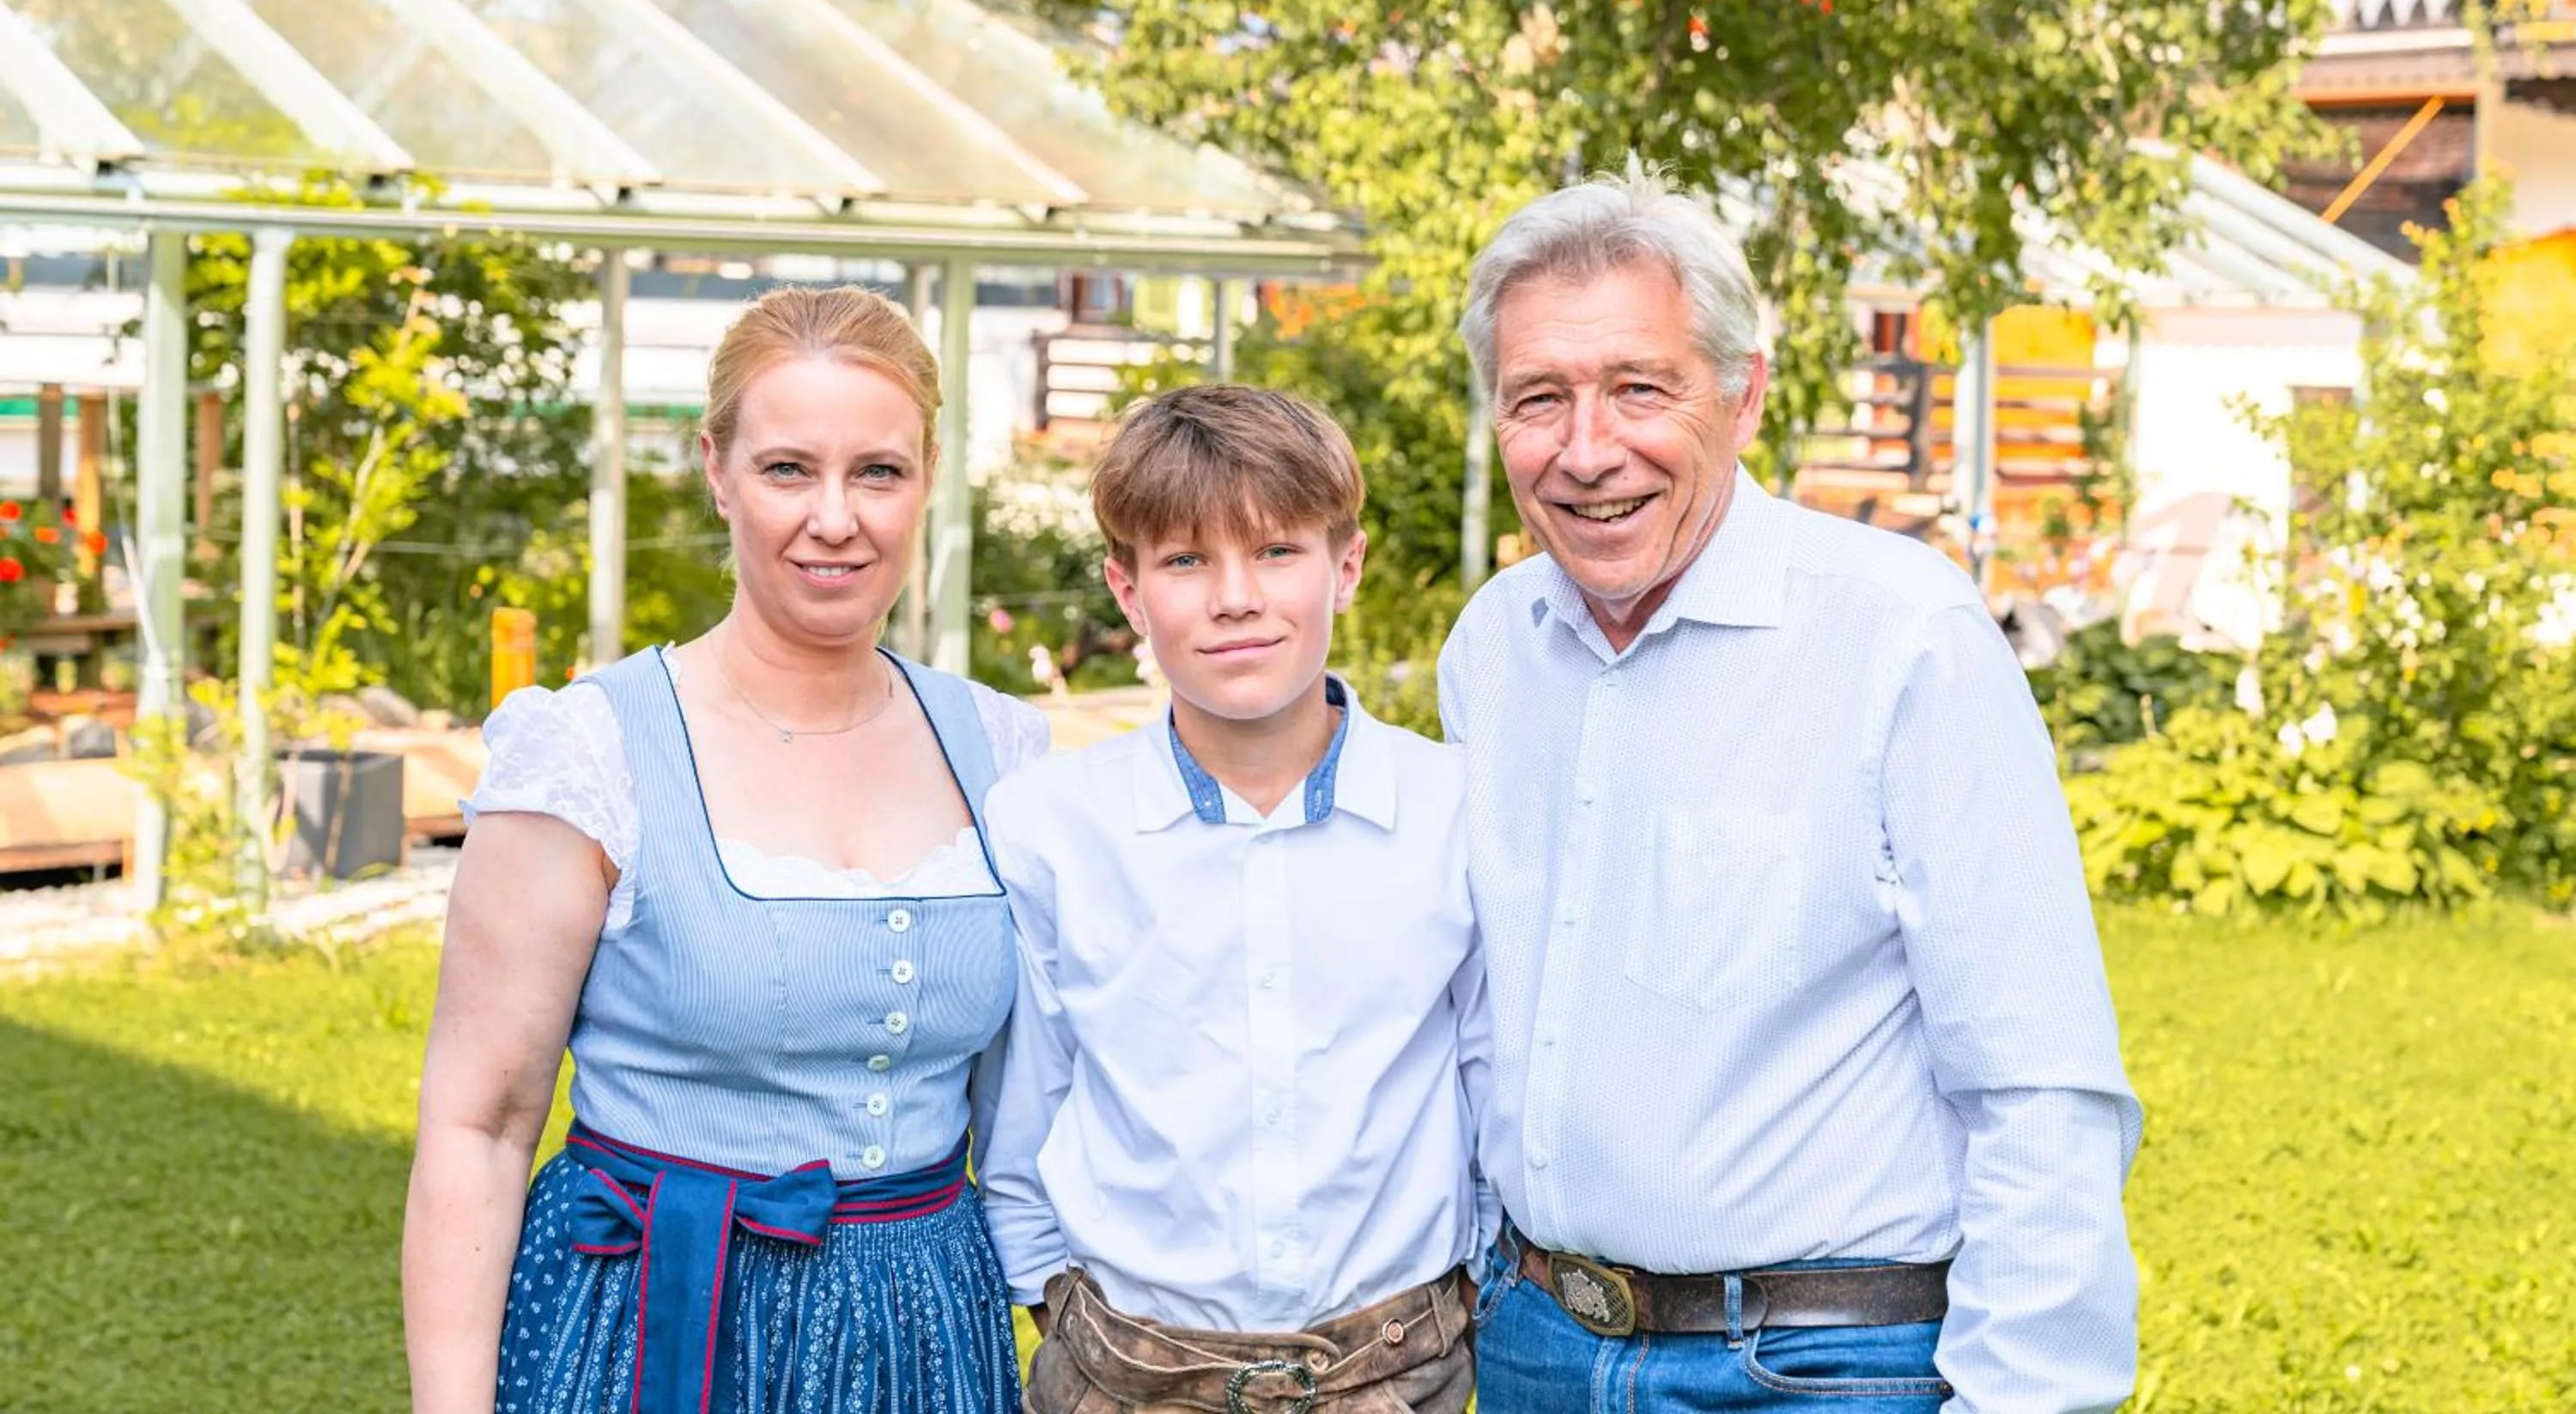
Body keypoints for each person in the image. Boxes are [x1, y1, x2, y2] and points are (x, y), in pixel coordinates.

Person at [1438, 168, 2142, 1413]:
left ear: (1743, 392)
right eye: (1538, 399)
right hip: (1534, 1341)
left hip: (1814, 1369)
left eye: (1639, 389)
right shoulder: (1492, 648)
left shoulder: (1901, 638)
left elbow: (2040, 1080)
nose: (1588, 451)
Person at [403, 285, 1047, 1414]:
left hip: (931, 1332)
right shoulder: (591, 752)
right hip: (653, 1320)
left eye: (878, 473)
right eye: (788, 468)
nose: (835, 518)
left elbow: (1031, 1108)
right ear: (716, 469)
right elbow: (482, 1124)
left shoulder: (1001, 746)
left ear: (928, 478)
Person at [980, 385, 1493, 1414]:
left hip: (1397, 1366)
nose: (1235, 597)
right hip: (1124, 1370)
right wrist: (1051, 1296)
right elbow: (1022, 1105)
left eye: (1275, 552)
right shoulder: (1050, 824)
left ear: (1345, 564)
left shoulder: (1456, 808)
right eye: (1184, 560)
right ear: (1128, 591)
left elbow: (1487, 1080)